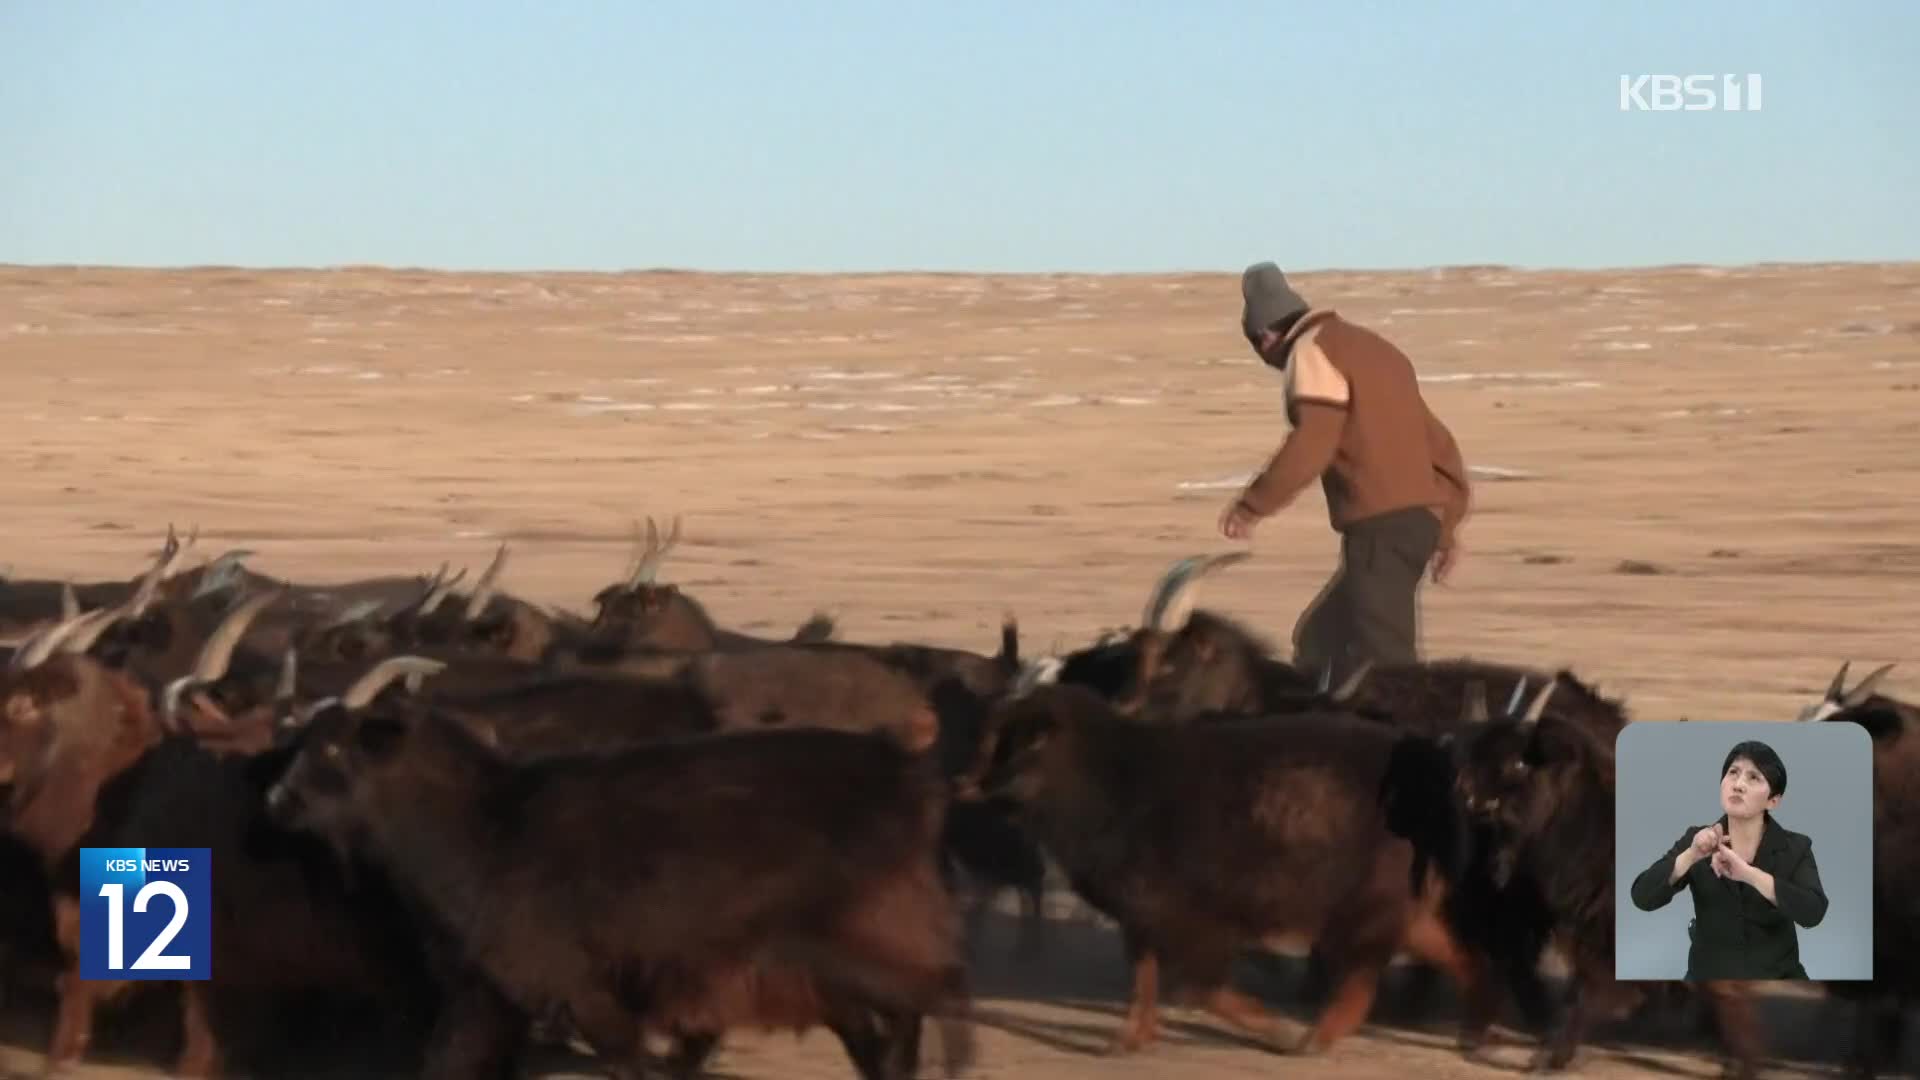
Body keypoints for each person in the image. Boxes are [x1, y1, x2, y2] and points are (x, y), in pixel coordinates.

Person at [1219, 261, 1472, 686]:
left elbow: (1313, 442)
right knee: (1319, 637)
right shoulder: (1376, 350)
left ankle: (1412, 745)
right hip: (1414, 525)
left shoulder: (1312, 351)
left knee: (1390, 660)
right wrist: (1444, 527)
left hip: (1381, 528)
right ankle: (1326, 731)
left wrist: (1252, 505)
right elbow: (1439, 445)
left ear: (1264, 337)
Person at [1628, 739, 1830, 980]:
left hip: (1779, 980)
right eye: (1733, 773)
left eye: (1754, 777)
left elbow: (1813, 912)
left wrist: (1749, 874)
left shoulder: (1796, 847)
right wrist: (1690, 856)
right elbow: (1642, 897)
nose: (1738, 784)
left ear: (1773, 801)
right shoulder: (1696, 840)